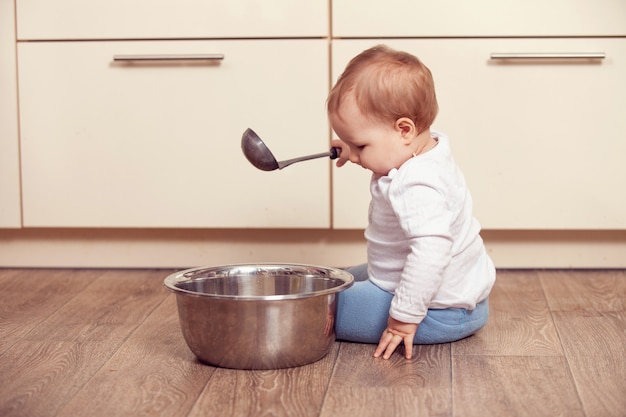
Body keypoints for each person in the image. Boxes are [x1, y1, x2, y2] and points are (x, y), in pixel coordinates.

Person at [328, 45, 496, 360]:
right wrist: (354, 146)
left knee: (322, 304)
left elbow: (431, 254)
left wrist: (403, 318)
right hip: (458, 297)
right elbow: (384, 145)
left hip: (435, 313)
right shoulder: (426, 148)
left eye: (361, 145)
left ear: (404, 130)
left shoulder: (417, 184)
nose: (355, 153)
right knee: (339, 279)